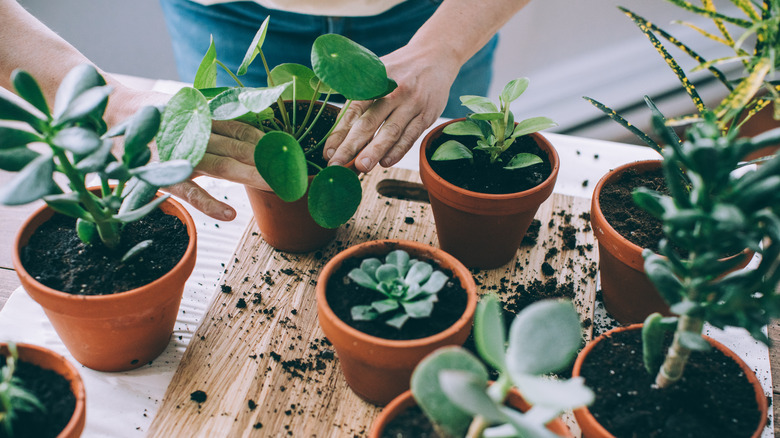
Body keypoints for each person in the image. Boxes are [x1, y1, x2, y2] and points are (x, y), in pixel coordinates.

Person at [0, 0, 531, 222]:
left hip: (438, 18)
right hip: (228, 19)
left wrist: (447, 45)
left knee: (465, 176)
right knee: (249, 170)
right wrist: (110, 104)